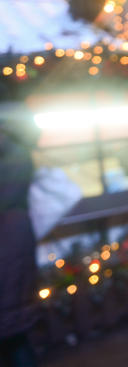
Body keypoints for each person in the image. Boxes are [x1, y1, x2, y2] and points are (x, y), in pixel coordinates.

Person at [0, 99, 39, 367]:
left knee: (11, 335)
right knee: (15, 334)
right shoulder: (19, 147)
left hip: (6, 238)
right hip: (18, 236)